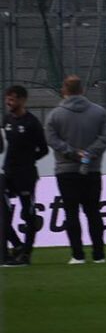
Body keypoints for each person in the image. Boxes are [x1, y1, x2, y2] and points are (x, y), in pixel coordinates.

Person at [43, 76, 106, 264]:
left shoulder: (55, 115)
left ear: (63, 91)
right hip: (92, 169)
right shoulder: (99, 112)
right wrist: (89, 153)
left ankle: (77, 254)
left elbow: (52, 139)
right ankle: (99, 254)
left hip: (66, 170)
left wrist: (72, 153)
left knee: (71, 212)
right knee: (93, 211)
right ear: (82, 90)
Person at [4, 86, 49, 266]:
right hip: (8, 173)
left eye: (12, 99)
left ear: (22, 100)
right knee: (3, 213)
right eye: (7, 99)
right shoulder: (6, 119)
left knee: (27, 213)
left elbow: (43, 149)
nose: (9, 102)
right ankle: (16, 244)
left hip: (26, 175)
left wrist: (28, 160)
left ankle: (26, 253)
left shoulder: (32, 122)